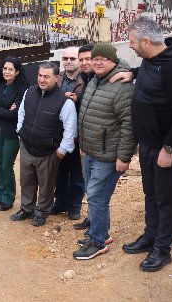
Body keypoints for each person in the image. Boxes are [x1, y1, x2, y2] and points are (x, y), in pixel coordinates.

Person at [121, 17, 172, 273]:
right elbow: (150, 72)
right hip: (149, 143)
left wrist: (169, 148)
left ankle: (162, 249)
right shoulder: (150, 60)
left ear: (146, 41)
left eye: (132, 42)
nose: (130, 46)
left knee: (166, 198)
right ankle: (151, 235)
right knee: (151, 193)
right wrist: (132, 73)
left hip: (167, 146)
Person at [71, 43, 136, 261]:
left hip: (108, 155)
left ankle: (97, 241)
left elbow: (129, 125)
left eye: (103, 59)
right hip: (91, 150)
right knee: (96, 196)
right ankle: (101, 233)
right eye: (95, 58)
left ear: (113, 61)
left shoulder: (121, 86)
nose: (97, 62)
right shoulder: (95, 80)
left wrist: (123, 157)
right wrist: (83, 143)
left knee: (97, 197)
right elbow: (88, 115)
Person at [10, 62, 76, 227]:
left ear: (57, 77)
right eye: (40, 75)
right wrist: (20, 132)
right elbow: (22, 113)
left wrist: (62, 150)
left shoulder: (64, 101)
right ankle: (26, 208)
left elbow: (70, 129)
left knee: (46, 185)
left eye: (47, 76)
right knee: (26, 181)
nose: (42, 80)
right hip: (27, 146)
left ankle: (41, 212)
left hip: (49, 151)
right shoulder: (29, 92)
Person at [0, 57, 28, 212]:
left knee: (6, 165)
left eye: (10, 69)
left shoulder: (22, 90)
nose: (7, 72)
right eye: (5, 68)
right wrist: (3, 110)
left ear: (17, 72)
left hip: (11, 133)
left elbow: (15, 114)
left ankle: (8, 197)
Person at [52, 46, 87, 221]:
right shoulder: (56, 78)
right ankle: (60, 203)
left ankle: (74, 206)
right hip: (58, 134)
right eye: (65, 58)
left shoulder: (87, 80)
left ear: (79, 60)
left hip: (78, 135)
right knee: (59, 171)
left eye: (72, 58)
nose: (68, 61)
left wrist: (77, 100)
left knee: (77, 173)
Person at [73, 42, 96, 231]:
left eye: (88, 59)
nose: (84, 63)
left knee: (97, 189)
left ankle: (98, 227)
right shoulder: (87, 79)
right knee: (89, 183)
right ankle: (91, 217)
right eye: (81, 60)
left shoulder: (102, 80)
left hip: (100, 143)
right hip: (86, 141)